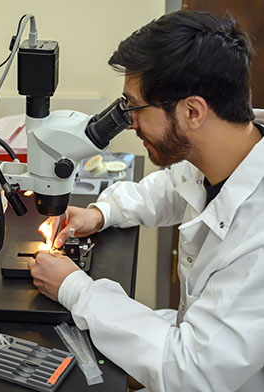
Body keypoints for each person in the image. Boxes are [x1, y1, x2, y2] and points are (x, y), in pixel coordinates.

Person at [28, 10, 264, 391]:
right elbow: (175, 186)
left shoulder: (259, 240)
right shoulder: (231, 145)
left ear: (192, 111)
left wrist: (76, 289)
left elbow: (188, 372)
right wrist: (101, 212)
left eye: (134, 108)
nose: (129, 122)